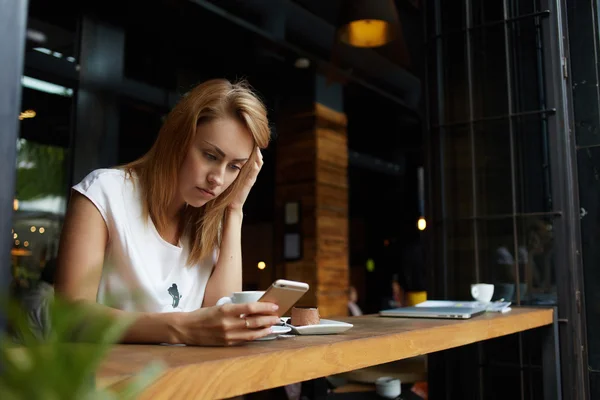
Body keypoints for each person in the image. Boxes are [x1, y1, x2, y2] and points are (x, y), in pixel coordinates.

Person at [55, 79, 280, 346]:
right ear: (178, 138)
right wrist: (179, 327)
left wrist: (234, 209)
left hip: (186, 383)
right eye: (210, 155)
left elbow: (223, 316)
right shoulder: (105, 193)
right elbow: (72, 317)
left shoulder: (209, 222)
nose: (217, 179)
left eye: (234, 167)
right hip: (107, 382)